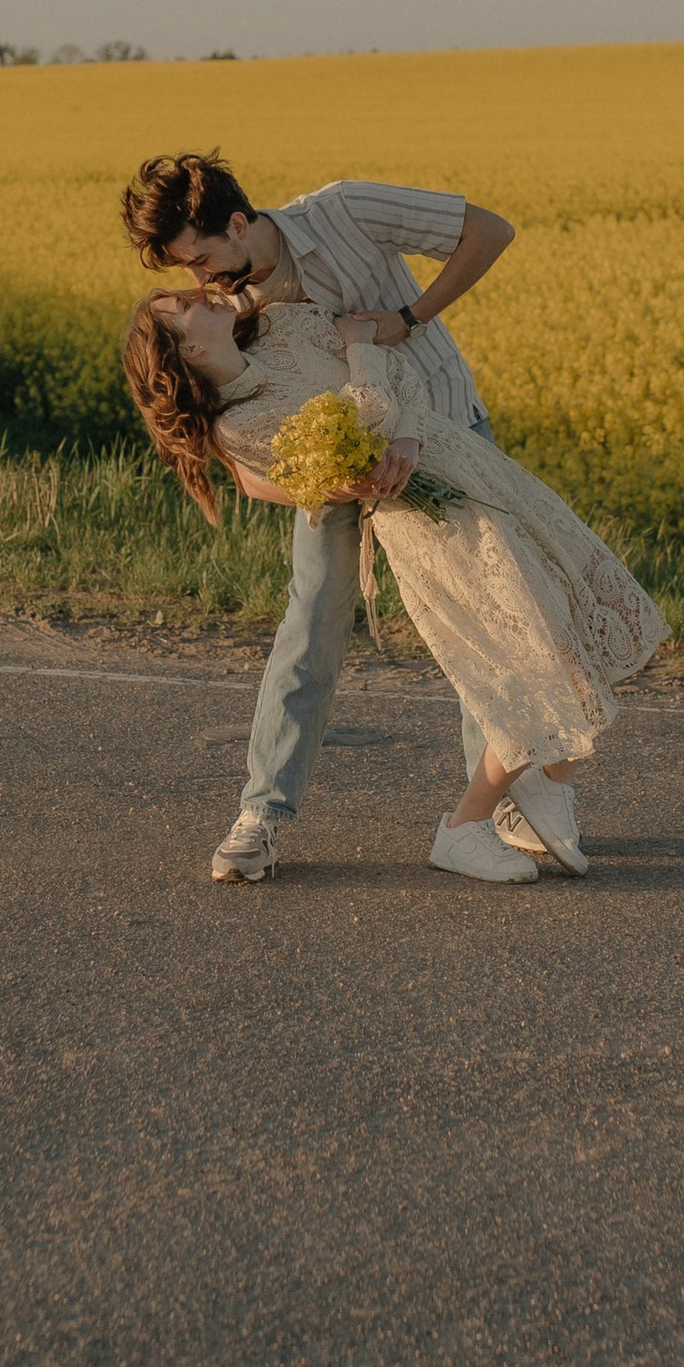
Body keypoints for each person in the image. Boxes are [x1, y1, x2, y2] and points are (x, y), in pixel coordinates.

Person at [120, 278, 667, 883]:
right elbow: (364, 422)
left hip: (467, 465)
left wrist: (405, 431)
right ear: (189, 352)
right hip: (427, 519)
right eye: (183, 308)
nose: (199, 293)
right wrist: (361, 353)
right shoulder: (240, 424)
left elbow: (399, 384)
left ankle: (544, 786)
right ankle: (466, 827)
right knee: (533, 649)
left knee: (575, 614)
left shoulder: (283, 327)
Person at [121, 154, 519, 879]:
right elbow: (245, 467)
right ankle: (260, 817)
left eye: (205, 259)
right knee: (311, 626)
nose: (202, 282)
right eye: (188, 271)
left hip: (442, 435)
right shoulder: (225, 308)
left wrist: (406, 320)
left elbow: (491, 231)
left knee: (484, 627)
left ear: (239, 224)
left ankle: (493, 811)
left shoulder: (346, 211)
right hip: (330, 472)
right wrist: (320, 485)